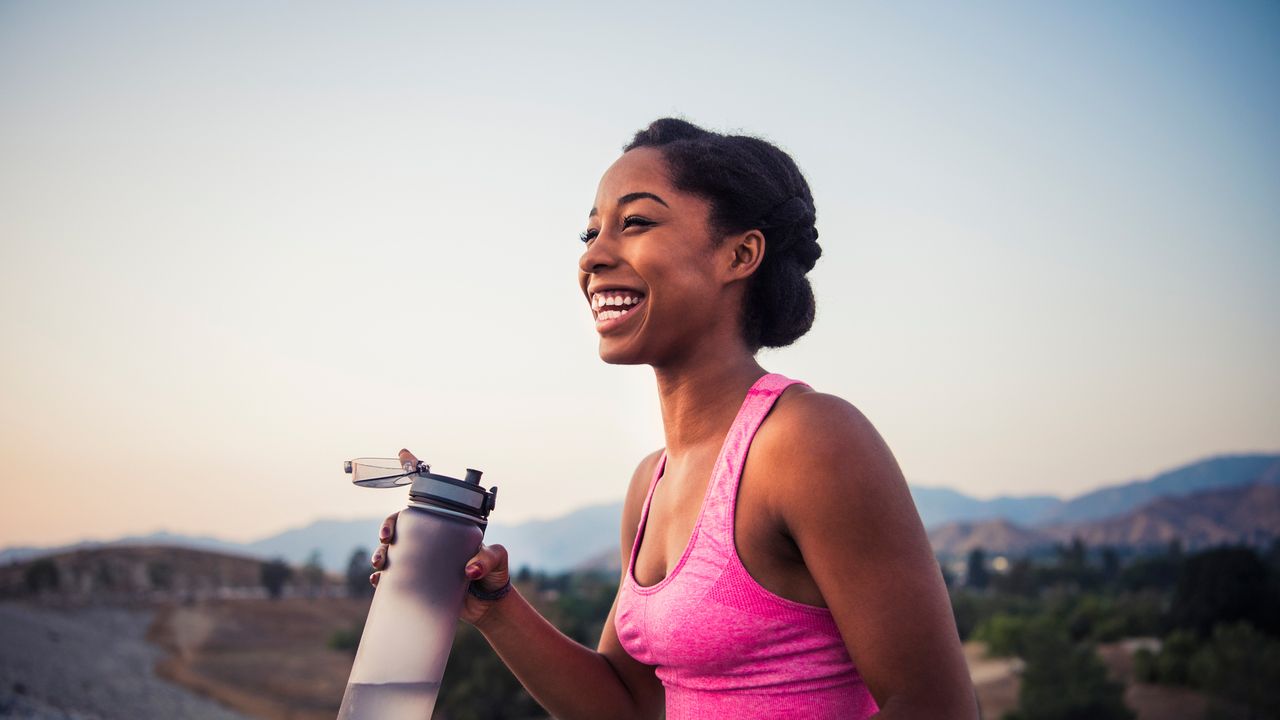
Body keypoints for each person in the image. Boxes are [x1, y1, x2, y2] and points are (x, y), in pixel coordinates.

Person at [372, 118, 978, 719]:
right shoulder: (651, 482)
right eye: (589, 233)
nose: (594, 256)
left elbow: (935, 706)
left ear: (739, 254)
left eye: (634, 222)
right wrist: (493, 604)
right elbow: (628, 706)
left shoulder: (807, 440)